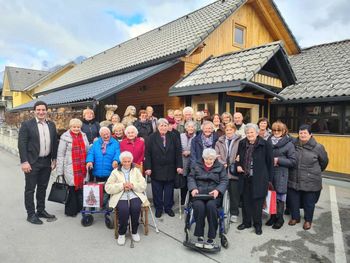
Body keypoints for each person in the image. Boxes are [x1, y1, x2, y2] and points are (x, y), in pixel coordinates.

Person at [18, 101, 58, 224]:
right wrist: (24, 161)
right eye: (38, 110)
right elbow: (22, 144)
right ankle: (31, 214)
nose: (41, 112)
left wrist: (54, 158)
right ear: (34, 111)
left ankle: (41, 210)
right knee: (30, 189)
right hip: (32, 162)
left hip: (46, 162)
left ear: (47, 111)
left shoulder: (51, 125)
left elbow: (54, 142)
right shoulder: (27, 125)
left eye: (43, 110)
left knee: (42, 187)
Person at [287, 124, 328, 230]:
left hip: (311, 180)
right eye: (301, 133)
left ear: (310, 134)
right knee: (294, 200)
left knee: (309, 202)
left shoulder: (318, 147)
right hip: (293, 177)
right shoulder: (292, 144)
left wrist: (314, 172)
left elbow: (323, 162)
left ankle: (308, 220)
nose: (303, 135)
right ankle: (295, 218)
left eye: (305, 133)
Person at [236, 123, 273, 235]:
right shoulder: (242, 143)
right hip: (245, 176)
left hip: (260, 178)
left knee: (258, 202)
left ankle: (258, 225)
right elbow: (238, 157)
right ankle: (246, 222)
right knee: (246, 201)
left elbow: (270, 162)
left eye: (252, 132)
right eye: (247, 132)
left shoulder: (265, 144)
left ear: (257, 133)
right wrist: (237, 164)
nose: (249, 134)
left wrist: (269, 180)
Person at [187, 148, 228, 249]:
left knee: (211, 207)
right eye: (206, 159)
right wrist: (193, 188)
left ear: (215, 159)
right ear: (203, 158)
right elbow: (191, 177)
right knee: (199, 207)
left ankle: (211, 235)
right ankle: (199, 234)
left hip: (213, 194)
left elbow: (224, 180)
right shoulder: (196, 165)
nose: (209, 161)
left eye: (211, 159)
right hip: (199, 194)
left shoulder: (220, 167)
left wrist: (218, 190)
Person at [105, 151, 149, 245]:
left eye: (129, 161)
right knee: (124, 210)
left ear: (131, 161)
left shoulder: (136, 170)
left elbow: (143, 184)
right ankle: (122, 233)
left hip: (134, 194)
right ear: (121, 162)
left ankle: (134, 231)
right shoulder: (115, 172)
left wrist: (133, 185)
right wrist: (122, 185)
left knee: (135, 207)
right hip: (121, 195)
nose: (127, 163)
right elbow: (108, 187)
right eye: (124, 161)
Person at [144, 118, 183, 218]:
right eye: (161, 125)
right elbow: (147, 154)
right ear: (157, 127)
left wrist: (179, 166)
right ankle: (159, 208)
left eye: (165, 125)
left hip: (171, 167)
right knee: (157, 190)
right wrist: (148, 167)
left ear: (168, 126)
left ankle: (168, 208)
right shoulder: (151, 137)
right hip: (156, 168)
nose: (163, 127)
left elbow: (178, 153)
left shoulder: (174, 136)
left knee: (169, 190)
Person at [265, 121, 296, 229]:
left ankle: (280, 218)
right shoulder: (268, 141)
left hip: (281, 173)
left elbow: (293, 161)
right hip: (269, 172)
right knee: (271, 195)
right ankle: (272, 216)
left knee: (280, 196)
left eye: (279, 130)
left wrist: (278, 160)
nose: (276, 132)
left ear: (284, 131)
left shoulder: (289, 144)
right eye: (274, 130)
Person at [56, 118, 89, 217]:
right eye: (74, 127)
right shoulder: (65, 137)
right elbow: (60, 154)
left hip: (82, 165)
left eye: (78, 127)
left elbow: (87, 149)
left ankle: (79, 208)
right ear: (70, 127)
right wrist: (59, 171)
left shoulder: (83, 135)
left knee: (80, 188)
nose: (76, 129)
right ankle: (71, 211)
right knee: (71, 188)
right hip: (70, 166)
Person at [215, 122, 242, 223]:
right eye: (227, 130)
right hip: (222, 170)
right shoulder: (219, 141)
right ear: (224, 131)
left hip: (234, 170)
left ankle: (234, 213)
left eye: (231, 130)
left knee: (234, 193)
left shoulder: (240, 141)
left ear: (234, 130)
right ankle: (220, 211)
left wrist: (235, 161)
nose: (229, 131)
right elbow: (216, 155)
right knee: (221, 191)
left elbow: (241, 154)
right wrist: (222, 163)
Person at [179, 121, 196, 204]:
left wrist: (190, 152)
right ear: (186, 128)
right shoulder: (181, 136)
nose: (190, 128)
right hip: (182, 161)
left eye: (192, 127)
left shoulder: (196, 137)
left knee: (191, 180)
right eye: (189, 127)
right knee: (183, 182)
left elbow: (197, 149)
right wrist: (182, 152)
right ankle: (183, 200)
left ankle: (190, 200)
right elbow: (177, 146)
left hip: (192, 161)